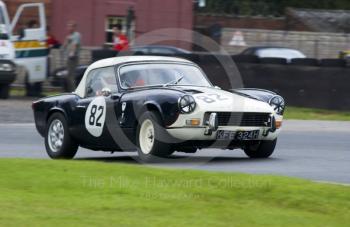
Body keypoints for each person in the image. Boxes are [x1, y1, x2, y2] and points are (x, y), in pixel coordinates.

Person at [62, 21, 81, 92]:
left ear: (74, 27)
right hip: (68, 58)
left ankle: (74, 92)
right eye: (68, 26)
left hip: (73, 58)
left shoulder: (77, 35)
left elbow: (74, 45)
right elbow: (64, 46)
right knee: (68, 76)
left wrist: (72, 53)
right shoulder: (69, 36)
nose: (69, 28)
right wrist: (63, 47)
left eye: (71, 26)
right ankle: (70, 91)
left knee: (70, 76)